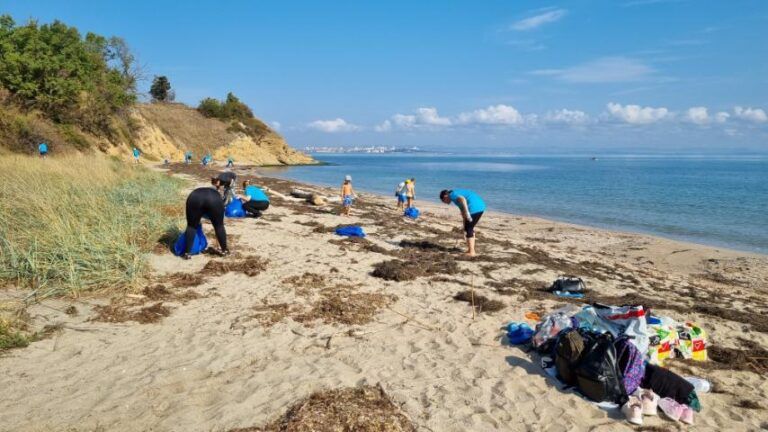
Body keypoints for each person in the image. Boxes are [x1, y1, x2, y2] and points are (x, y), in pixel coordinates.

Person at [181, 184, 229, 260]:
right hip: (214, 198)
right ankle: (224, 250)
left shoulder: (197, 192)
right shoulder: (217, 194)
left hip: (195, 196)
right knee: (219, 226)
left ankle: (187, 253)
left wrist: (197, 219)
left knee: (191, 226)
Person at [440, 189, 486, 257]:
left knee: (469, 229)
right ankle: (470, 250)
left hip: (474, 208)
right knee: (469, 228)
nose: (445, 203)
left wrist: (467, 213)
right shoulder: (455, 197)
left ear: (445, 196)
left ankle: (472, 252)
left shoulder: (452, 195)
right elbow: (463, 214)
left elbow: (463, 199)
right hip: (480, 206)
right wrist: (464, 229)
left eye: (444, 201)